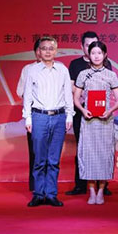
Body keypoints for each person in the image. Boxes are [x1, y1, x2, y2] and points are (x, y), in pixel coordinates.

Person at [23, 36, 74, 207]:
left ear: (56, 51)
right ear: (39, 51)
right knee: (39, 159)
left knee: (53, 159)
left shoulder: (62, 70)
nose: (47, 51)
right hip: (39, 117)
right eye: (44, 48)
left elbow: (68, 94)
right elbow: (27, 95)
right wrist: (28, 117)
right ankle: (38, 194)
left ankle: (51, 194)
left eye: (51, 48)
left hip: (59, 117)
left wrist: (69, 115)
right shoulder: (32, 70)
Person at [73, 41, 118, 205]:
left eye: (99, 53)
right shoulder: (83, 74)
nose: (96, 56)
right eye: (93, 53)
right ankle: (92, 191)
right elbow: (76, 98)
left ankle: (101, 190)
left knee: (104, 155)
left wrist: (109, 111)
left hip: (105, 120)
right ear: (88, 54)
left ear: (105, 55)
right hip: (88, 121)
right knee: (88, 154)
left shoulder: (111, 75)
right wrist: (83, 110)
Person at [66, 31, 113, 197]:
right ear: (82, 47)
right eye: (88, 45)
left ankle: (102, 186)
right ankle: (80, 185)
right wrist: (83, 96)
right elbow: (71, 85)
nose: (92, 49)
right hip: (82, 111)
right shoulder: (75, 64)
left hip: (101, 113)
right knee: (83, 148)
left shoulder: (106, 65)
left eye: (95, 45)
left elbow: (108, 89)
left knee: (102, 148)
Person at [16, 38, 41, 192]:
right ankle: (35, 186)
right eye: (39, 49)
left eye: (47, 49)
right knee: (34, 151)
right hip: (34, 115)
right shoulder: (28, 69)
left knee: (50, 154)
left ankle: (49, 186)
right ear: (35, 52)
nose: (42, 52)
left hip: (53, 115)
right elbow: (20, 91)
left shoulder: (59, 68)